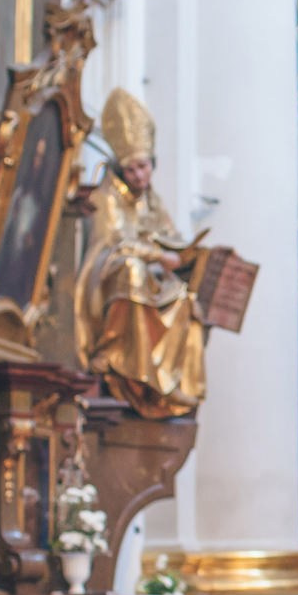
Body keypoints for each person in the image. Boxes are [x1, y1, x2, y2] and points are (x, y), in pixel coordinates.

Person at [75, 89, 208, 419]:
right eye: (132, 169)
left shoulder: (152, 199)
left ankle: (166, 380)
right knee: (131, 270)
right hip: (106, 275)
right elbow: (117, 243)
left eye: (144, 167)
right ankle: (115, 355)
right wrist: (161, 257)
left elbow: (171, 236)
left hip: (152, 279)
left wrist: (186, 253)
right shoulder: (107, 195)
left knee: (186, 299)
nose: (140, 176)